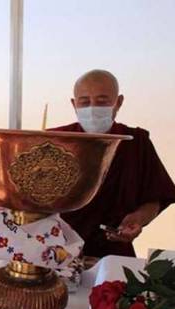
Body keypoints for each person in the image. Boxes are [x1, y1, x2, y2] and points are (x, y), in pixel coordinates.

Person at [51, 69, 175, 259]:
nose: (92, 108)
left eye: (102, 101)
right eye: (84, 102)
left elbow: (155, 197)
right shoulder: (54, 141)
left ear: (118, 102)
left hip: (114, 253)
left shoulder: (135, 142)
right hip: (56, 250)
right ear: (74, 104)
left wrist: (137, 220)